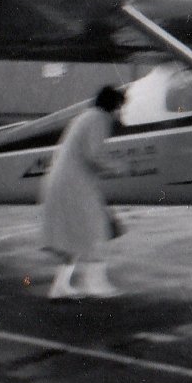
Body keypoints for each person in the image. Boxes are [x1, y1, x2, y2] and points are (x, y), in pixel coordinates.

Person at [42, 84, 127, 299]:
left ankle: (60, 286)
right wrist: (117, 167)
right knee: (95, 230)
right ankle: (94, 284)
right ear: (113, 105)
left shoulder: (87, 117)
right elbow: (93, 155)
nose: (121, 112)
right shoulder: (99, 119)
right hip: (74, 185)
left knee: (75, 235)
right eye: (120, 107)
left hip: (66, 183)